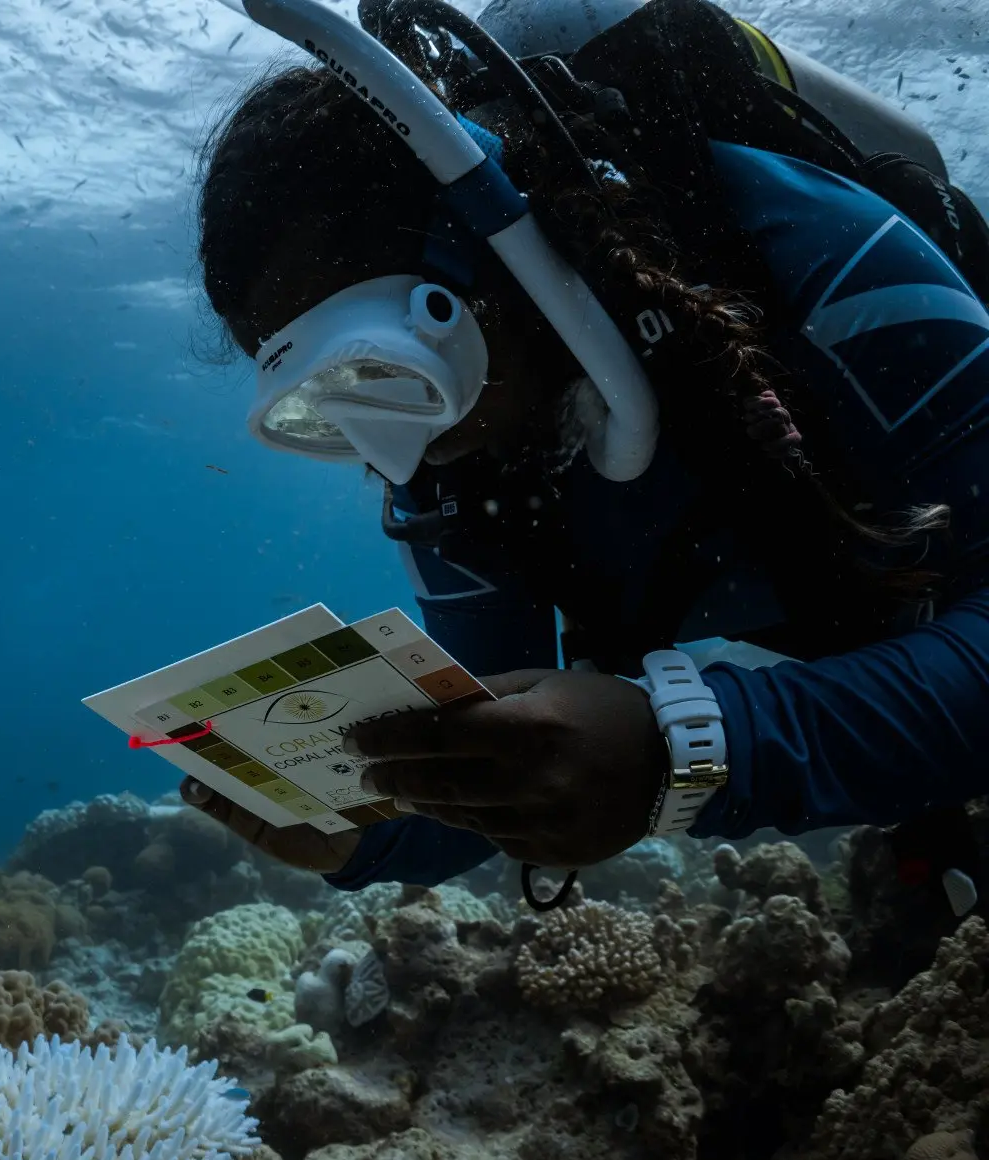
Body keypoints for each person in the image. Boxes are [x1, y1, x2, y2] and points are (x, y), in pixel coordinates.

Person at [180, 0, 989, 916]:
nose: (390, 448)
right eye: (325, 411)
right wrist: (364, 831)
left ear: (493, 253)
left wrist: (684, 750)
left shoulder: (831, 267)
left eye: (382, 372)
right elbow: (510, 749)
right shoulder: (452, 468)